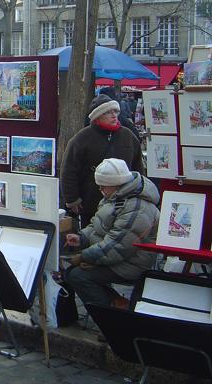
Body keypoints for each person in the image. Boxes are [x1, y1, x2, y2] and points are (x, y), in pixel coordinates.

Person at [64, 158, 159, 308]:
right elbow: (97, 225)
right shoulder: (115, 197)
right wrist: (81, 237)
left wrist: (85, 256)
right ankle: (116, 302)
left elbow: (118, 246)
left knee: (78, 276)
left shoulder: (137, 207)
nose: (100, 190)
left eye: (103, 187)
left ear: (117, 184)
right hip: (117, 257)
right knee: (69, 272)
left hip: (132, 263)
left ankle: (111, 313)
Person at [61, 94, 144, 227]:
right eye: (108, 112)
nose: (113, 115)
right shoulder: (81, 139)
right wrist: (72, 199)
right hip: (91, 202)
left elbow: (138, 167)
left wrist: (140, 192)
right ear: (97, 116)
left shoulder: (128, 136)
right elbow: (69, 170)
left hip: (126, 202)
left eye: (115, 111)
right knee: (91, 236)